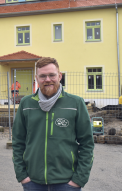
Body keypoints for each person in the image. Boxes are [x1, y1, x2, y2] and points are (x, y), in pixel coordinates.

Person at [12, 57, 94, 191]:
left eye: (52, 75)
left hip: (67, 183)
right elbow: (17, 141)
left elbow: (87, 144)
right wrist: (22, 176)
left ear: (59, 76)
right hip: (33, 182)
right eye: (42, 76)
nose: (47, 79)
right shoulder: (26, 104)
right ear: (36, 78)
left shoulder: (75, 103)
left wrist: (79, 180)